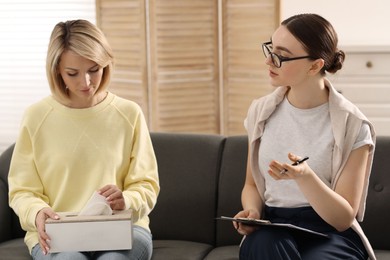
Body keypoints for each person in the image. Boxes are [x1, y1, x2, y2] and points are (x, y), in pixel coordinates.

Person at [8, 19, 160, 260]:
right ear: (57, 68)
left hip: (121, 229)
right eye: (73, 73)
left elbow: (146, 184)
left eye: (94, 70)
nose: (86, 82)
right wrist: (37, 212)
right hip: (57, 233)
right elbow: (22, 190)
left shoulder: (128, 113)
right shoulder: (36, 117)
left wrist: (126, 200)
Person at [233, 14, 376, 260]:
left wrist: (306, 177)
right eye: (270, 48)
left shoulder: (353, 124)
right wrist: (253, 211)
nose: (269, 60)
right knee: (263, 244)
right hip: (273, 226)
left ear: (315, 66)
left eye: (281, 55)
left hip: (331, 232)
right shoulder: (260, 112)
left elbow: (343, 219)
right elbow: (252, 184)